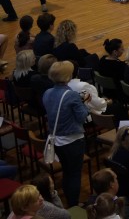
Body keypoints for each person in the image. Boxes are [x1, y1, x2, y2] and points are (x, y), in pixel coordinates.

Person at [43, 60, 89, 206]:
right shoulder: (71, 95)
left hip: (56, 140)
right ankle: (74, 205)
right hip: (72, 141)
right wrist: (84, 103)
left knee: (67, 172)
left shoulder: (47, 93)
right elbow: (82, 117)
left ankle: (70, 202)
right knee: (74, 174)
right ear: (67, 76)